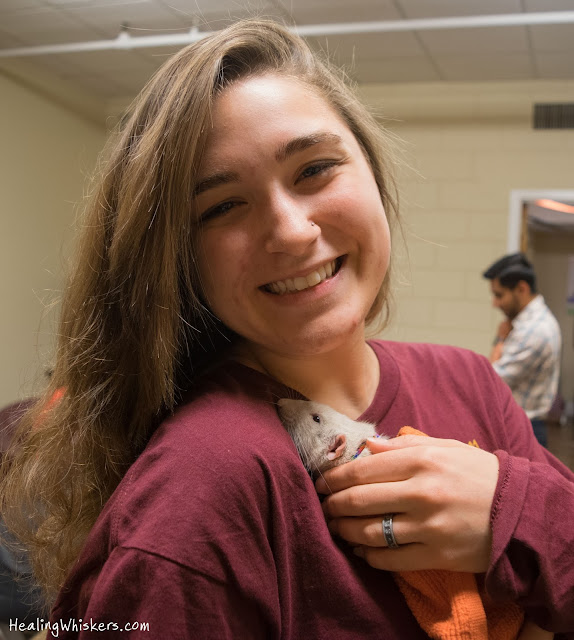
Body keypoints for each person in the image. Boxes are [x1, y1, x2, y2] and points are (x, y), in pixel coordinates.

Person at [0, 19, 573, 640]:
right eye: (222, 206)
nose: (293, 231)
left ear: (374, 177)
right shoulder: (205, 481)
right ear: (178, 260)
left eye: (315, 169)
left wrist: (514, 509)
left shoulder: (469, 379)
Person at [483, 253, 562, 447]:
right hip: (523, 425)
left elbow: (489, 382)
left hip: (525, 430)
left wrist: (500, 339)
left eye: (499, 295)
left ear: (521, 288)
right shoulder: (526, 325)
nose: (495, 303)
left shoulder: (534, 332)